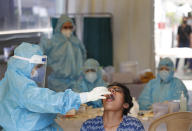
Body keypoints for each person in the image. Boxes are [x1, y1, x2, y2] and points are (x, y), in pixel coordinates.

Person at [0, 42, 110, 131]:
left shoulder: (10, 80)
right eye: (37, 66)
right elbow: (44, 100)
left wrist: (55, 111)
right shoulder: (20, 86)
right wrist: (84, 97)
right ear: (24, 65)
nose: (38, 71)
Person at [40, 14, 86, 92]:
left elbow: (83, 56)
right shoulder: (52, 42)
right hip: (57, 83)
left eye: (70, 27)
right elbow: (40, 52)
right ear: (59, 27)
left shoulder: (76, 42)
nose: (68, 29)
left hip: (75, 82)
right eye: (65, 27)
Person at [80, 82, 145, 131]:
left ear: (125, 104)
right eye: (107, 91)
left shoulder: (133, 126)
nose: (111, 91)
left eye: (117, 90)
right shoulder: (89, 126)